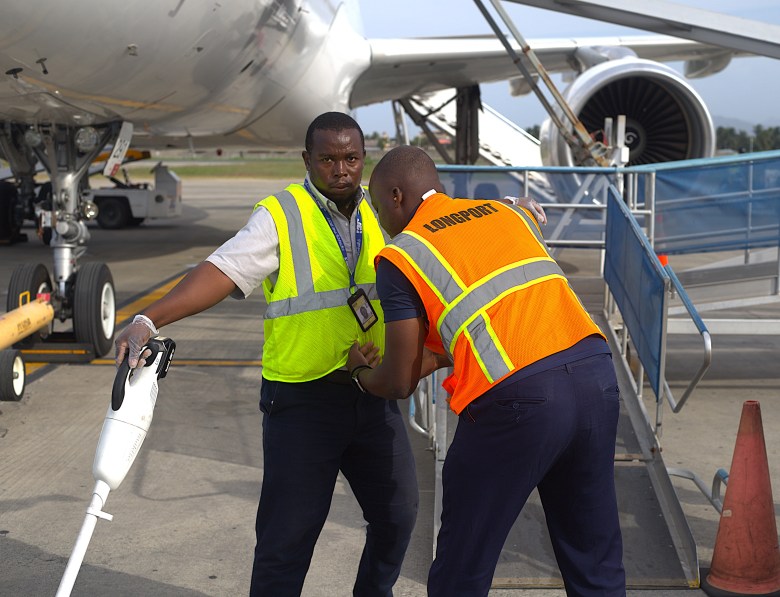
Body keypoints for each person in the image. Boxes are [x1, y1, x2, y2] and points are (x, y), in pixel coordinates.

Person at [114, 112, 420, 597]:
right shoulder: (282, 214)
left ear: (364, 159)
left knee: (398, 519)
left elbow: (448, 225)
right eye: (328, 159)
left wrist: (509, 210)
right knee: (286, 542)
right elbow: (220, 271)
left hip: (372, 393)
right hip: (302, 403)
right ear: (307, 160)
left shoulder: (384, 211)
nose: (341, 169)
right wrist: (151, 318)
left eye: (352, 158)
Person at [347, 145, 626, 597]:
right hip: (595, 376)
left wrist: (359, 373)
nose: (381, 222)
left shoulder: (402, 257)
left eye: (379, 209)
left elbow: (397, 382)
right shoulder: (505, 215)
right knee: (594, 557)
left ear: (396, 196)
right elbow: (501, 317)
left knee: (464, 563)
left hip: (518, 403)